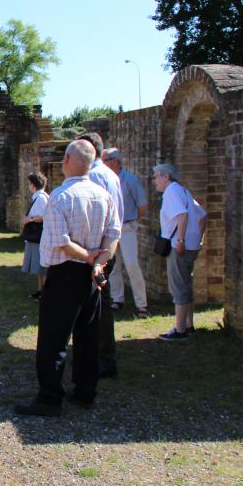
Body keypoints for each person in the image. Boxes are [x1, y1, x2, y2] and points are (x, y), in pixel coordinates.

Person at [14, 140, 121, 417]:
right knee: (88, 336)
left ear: (69, 161)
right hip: (92, 274)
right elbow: (113, 236)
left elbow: (61, 242)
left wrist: (88, 257)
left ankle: (50, 398)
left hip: (66, 273)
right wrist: (99, 263)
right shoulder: (103, 195)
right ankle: (85, 392)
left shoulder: (61, 197)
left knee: (54, 338)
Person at [76, 132, 123, 379]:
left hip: (97, 251)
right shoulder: (109, 174)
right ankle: (101, 357)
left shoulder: (93, 175)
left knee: (96, 307)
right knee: (99, 304)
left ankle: (101, 360)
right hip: (107, 247)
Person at [152, 164, 207, 341]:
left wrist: (181, 240)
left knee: (178, 286)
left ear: (166, 176)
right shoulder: (183, 191)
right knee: (185, 284)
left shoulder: (171, 192)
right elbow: (203, 215)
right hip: (191, 244)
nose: (154, 181)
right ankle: (189, 325)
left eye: (155, 177)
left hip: (179, 245)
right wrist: (198, 237)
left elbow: (182, 216)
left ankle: (180, 329)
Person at [103, 148, 149, 316]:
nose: (103, 163)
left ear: (115, 161)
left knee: (132, 265)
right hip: (111, 229)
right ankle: (117, 299)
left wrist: (131, 221)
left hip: (127, 227)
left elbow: (142, 205)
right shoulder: (106, 180)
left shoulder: (130, 180)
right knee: (114, 266)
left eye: (106, 159)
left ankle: (142, 304)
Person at [21, 172, 49, 300]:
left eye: (29, 184)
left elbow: (43, 216)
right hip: (37, 237)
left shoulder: (42, 198)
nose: (28, 186)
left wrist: (29, 219)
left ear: (33, 185)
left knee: (42, 266)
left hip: (39, 237)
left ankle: (46, 291)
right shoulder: (38, 197)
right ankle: (40, 290)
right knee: (39, 266)